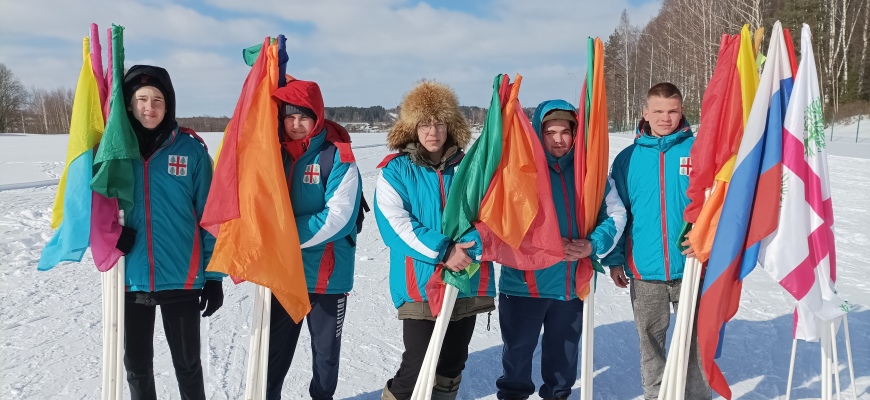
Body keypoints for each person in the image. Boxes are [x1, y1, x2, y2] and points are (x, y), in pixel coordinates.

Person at [495, 100, 626, 400]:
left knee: (562, 363)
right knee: (517, 358)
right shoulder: (519, 172)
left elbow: (616, 215)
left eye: (565, 132)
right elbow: (500, 222)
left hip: (569, 287)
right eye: (550, 132)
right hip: (524, 286)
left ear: (576, 133)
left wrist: (591, 245)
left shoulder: (588, 175)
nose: (558, 139)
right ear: (537, 133)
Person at [374, 81, 496, 400]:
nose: (433, 131)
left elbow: (491, 216)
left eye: (439, 122)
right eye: (425, 123)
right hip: (420, 282)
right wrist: (445, 250)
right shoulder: (395, 171)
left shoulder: (471, 169)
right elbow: (395, 224)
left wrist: (467, 250)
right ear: (412, 128)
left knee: (452, 363)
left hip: (465, 277)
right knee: (417, 365)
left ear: (450, 126)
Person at [120, 65, 225, 400]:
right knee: (136, 365)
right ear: (129, 105)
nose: (149, 107)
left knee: (187, 364)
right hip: (131, 277)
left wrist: (214, 276)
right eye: (141, 100)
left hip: (182, 276)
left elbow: (212, 217)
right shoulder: (115, 154)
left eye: (157, 100)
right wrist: (110, 234)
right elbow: (95, 206)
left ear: (169, 106)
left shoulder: (191, 151)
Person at [604, 82, 711, 400]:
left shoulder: (700, 152)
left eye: (673, 111)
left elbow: (718, 205)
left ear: (682, 111)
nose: (666, 118)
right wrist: (614, 260)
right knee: (650, 340)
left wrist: (709, 242)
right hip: (645, 268)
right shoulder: (627, 159)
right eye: (659, 111)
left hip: (692, 265)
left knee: (696, 341)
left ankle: (696, 396)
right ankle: (657, 395)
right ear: (645, 113)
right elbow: (617, 212)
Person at [266, 79, 363, 400]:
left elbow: (338, 217)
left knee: (325, 356)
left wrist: (281, 236)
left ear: (317, 118)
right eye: (290, 117)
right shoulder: (271, 155)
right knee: (273, 355)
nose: (296, 125)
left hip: (327, 277)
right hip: (285, 274)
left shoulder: (338, 157)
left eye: (304, 117)